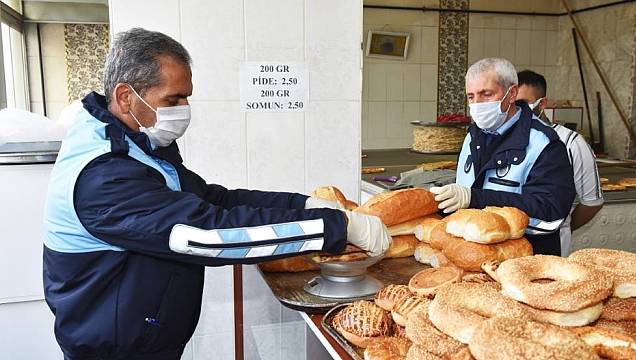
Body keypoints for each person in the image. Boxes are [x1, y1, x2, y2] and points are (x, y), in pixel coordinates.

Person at [42, 28, 391, 360]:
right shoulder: (104, 175)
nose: (183, 109)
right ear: (125, 96)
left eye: (186, 98)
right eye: (173, 99)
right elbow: (207, 234)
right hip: (114, 348)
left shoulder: (137, 145)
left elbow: (214, 199)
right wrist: (336, 227)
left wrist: (302, 204)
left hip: (138, 337)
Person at [430, 58, 576, 255]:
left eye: (486, 94)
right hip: (474, 253)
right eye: (471, 97)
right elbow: (468, 187)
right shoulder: (473, 135)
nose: (477, 104)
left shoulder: (543, 143)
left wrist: (475, 198)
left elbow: (550, 209)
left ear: (512, 93)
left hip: (526, 258)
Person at [517, 69, 604, 257]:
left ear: (543, 104)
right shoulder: (509, 140)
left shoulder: (571, 143)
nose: (519, 110)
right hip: (511, 245)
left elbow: (592, 202)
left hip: (551, 249)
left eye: (524, 103)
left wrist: (562, 225)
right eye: (514, 104)